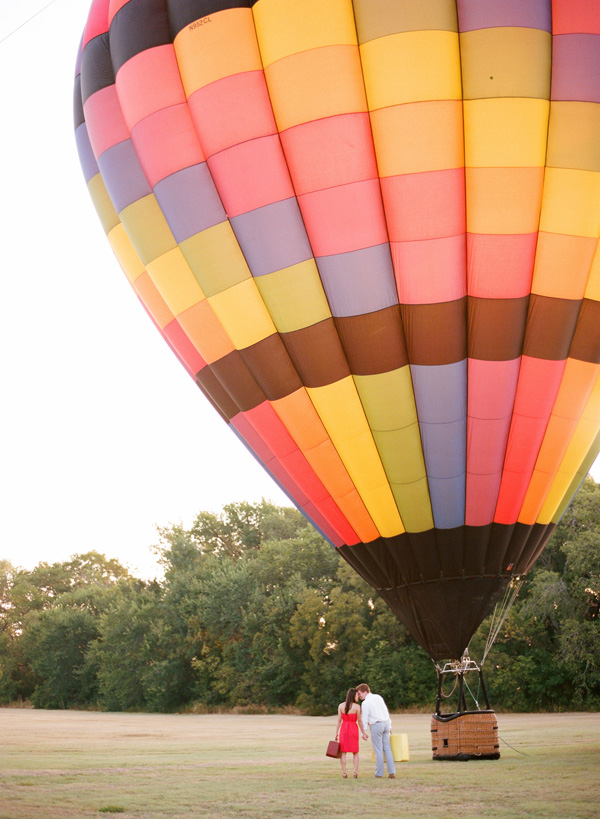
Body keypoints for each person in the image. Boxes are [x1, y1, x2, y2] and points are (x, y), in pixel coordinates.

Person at [356, 683, 396, 779]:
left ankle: (379, 773)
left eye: (360, 693)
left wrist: (363, 732)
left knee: (378, 750)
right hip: (386, 723)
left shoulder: (366, 703)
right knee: (387, 749)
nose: (359, 696)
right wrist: (390, 725)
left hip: (376, 725)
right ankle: (392, 772)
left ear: (365, 691)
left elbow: (364, 719)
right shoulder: (378, 697)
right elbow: (386, 711)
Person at [334, 687, 368, 778]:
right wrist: (363, 733)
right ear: (353, 695)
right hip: (353, 729)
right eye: (357, 695)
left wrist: (336, 732)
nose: (358, 696)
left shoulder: (341, 706)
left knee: (343, 752)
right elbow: (360, 721)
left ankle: (344, 772)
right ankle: (355, 772)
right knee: (355, 752)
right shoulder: (357, 707)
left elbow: (339, 721)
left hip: (344, 729)